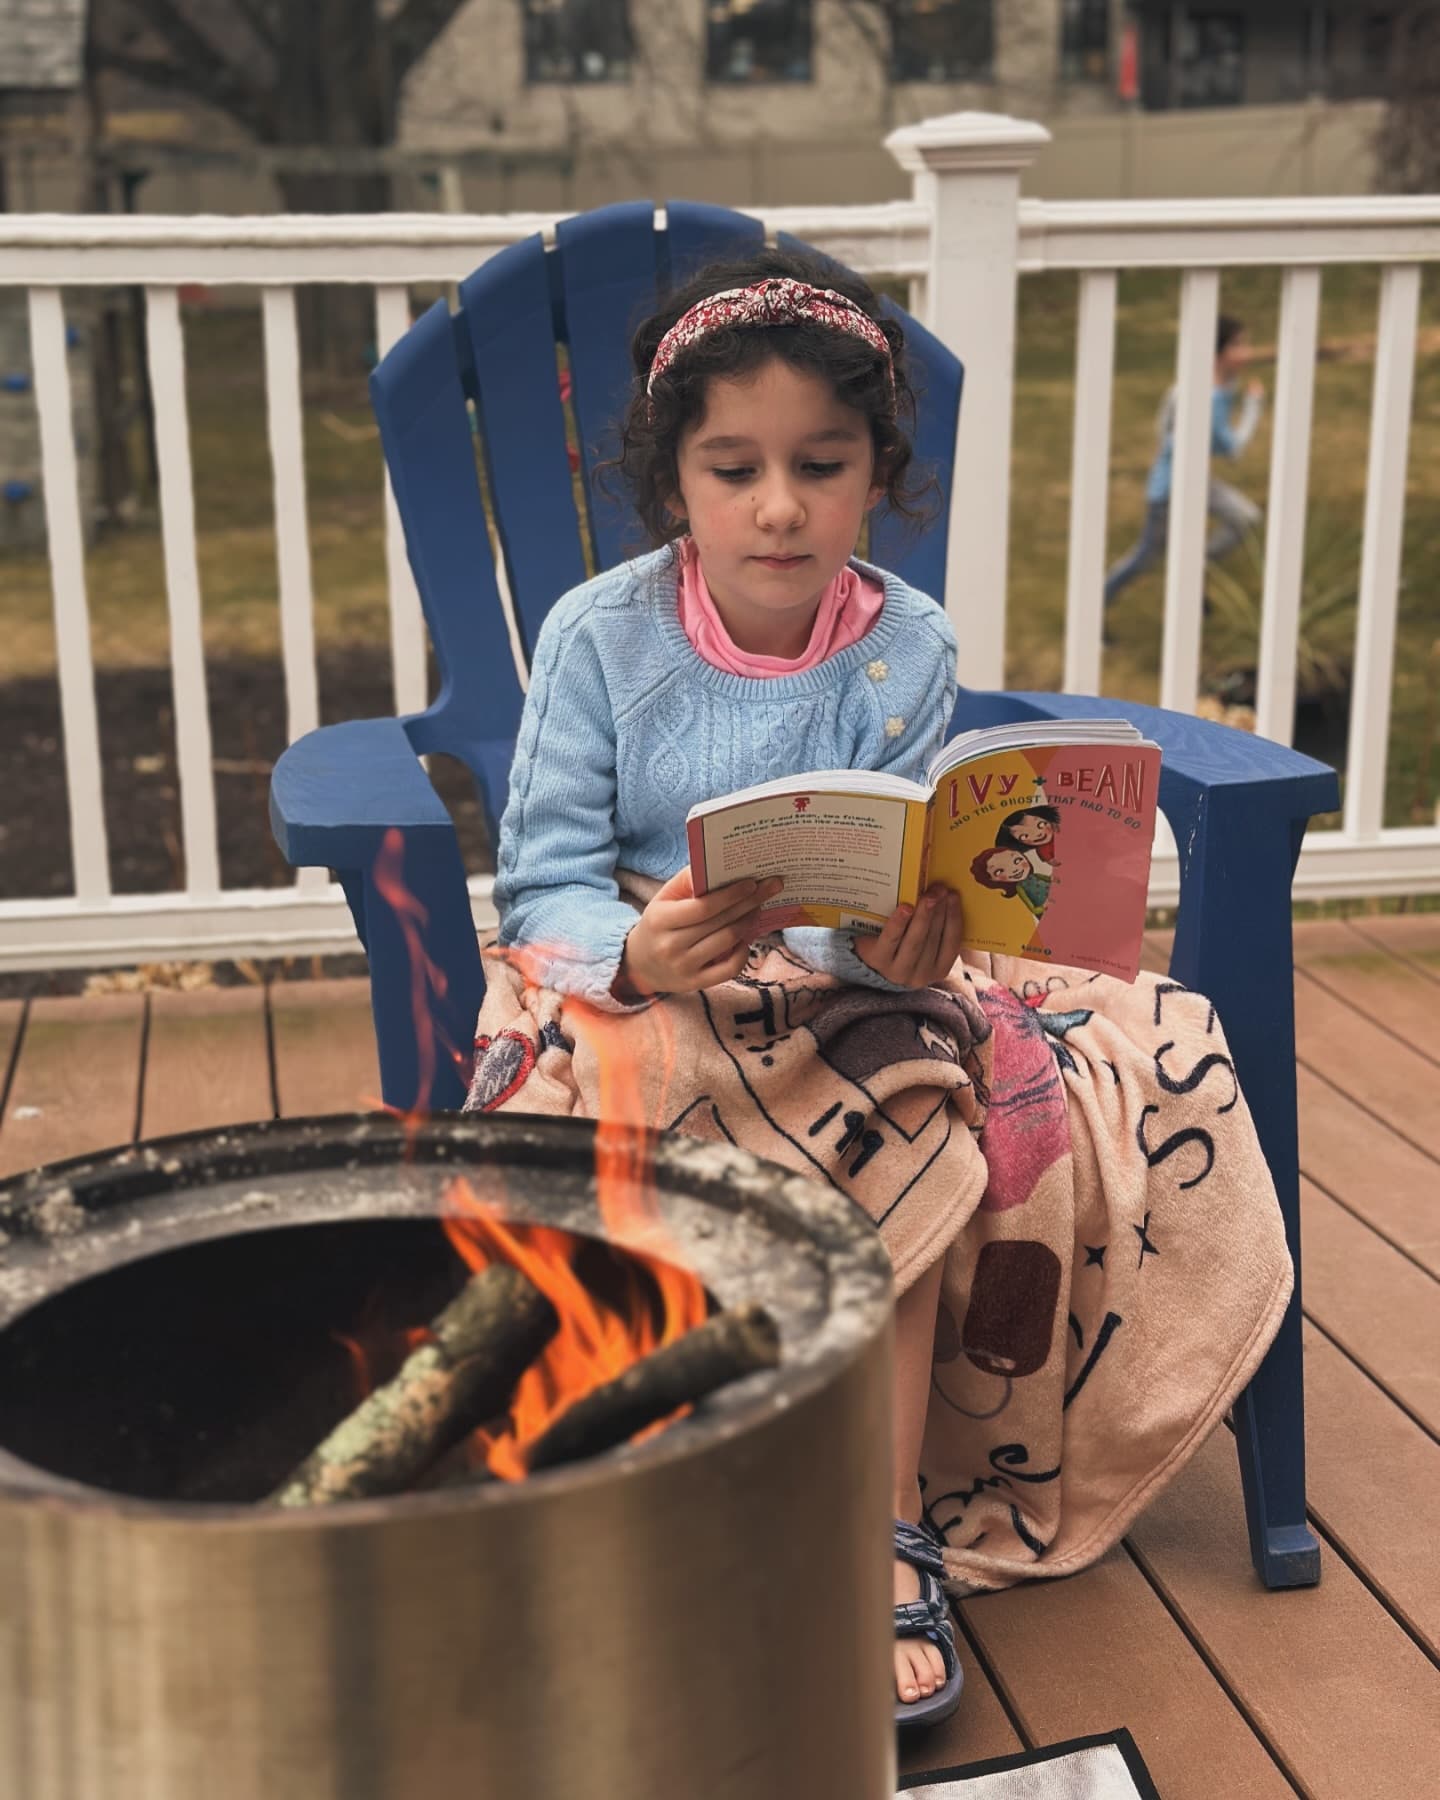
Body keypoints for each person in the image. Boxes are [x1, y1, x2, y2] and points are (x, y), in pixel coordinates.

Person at [463, 250, 1293, 1734]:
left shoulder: (906, 643)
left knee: (921, 1113)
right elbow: (544, 885)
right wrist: (635, 949)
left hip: (834, 991)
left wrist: (896, 945)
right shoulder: (602, 639)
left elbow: (901, 859)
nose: (777, 505)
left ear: (875, 479)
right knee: (588, 1103)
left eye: (820, 466)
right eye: (735, 468)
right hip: (643, 980)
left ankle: (884, 1525)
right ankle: (643, 1493)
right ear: (676, 489)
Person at [1104, 314, 1265, 609]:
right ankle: (1096, 603)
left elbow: (1163, 425)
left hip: (1195, 481)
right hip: (1169, 490)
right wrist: (1254, 406)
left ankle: (1194, 568)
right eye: (1239, 345)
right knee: (1146, 557)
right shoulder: (1210, 399)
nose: (1248, 352)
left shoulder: (1202, 385)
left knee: (1246, 518)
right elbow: (1231, 449)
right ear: (1217, 353)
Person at [970, 845, 1052, 920]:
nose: (1014, 869)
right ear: (993, 881)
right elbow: (1033, 909)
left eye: (1017, 860)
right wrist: (1044, 906)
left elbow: (1051, 879)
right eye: (999, 871)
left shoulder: (1035, 875)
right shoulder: (1020, 888)